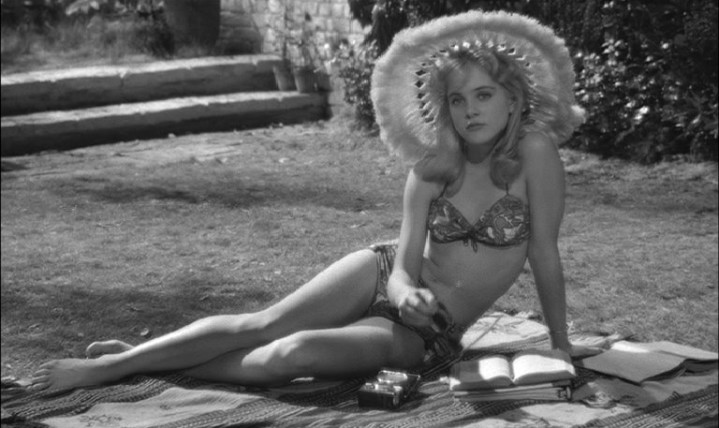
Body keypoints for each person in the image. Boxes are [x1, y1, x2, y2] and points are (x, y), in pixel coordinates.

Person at [30, 10, 586, 393]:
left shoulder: (535, 154)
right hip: (382, 274)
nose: (470, 110)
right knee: (263, 324)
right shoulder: (430, 169)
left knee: (291, 354)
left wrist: (560, 346)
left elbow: (543, 253)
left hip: (427, 333)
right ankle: (116, 366)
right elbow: (402, 269)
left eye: (484, 95)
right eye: (458, 99)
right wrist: (404, 292)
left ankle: (151, 362)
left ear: (513, 100)